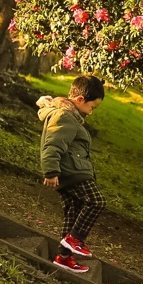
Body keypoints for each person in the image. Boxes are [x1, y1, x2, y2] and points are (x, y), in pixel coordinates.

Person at [37, 75, 106, 273]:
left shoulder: (70, 115)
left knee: (73, 212)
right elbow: (53, 144)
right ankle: (74, 239)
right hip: (72, 172)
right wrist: (50, 171)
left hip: (70, 171)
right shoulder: (64, 116)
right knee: (96, 201)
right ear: (80, 100)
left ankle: (63, 257)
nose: (91, 113)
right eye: (92, 107)